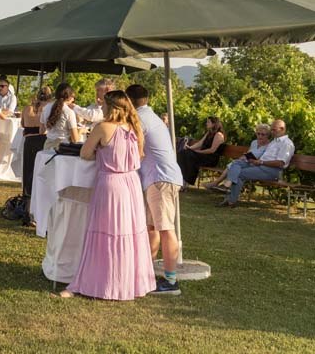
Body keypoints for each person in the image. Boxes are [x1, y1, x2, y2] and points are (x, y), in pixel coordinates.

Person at [60, 90, 156, 300]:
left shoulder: (103, 127)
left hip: (111, 183)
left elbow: (85, 153)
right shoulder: (134, 128)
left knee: (105, 233)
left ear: (110, 106)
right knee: (129, 233)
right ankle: (127, 283)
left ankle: (101, 283)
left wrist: (100, 152)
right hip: (131, 183)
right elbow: (139, 155)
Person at [126, 84, 185, 295]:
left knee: (165, 229)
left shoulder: (140, 120)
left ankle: (171, 282)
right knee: (152, 228)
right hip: (158, 178)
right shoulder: (150, 116)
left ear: (128, 101)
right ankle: (147, 273)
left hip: (161, 179)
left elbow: (133, 151)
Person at [220, 119, 295, 208]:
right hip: (260, 165)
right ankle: (228, 191)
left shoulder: (287, 144)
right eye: (271, 129)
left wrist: (261, 162)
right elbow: (264, 156)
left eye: (274, 130)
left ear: (282, 129)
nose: (272, 132)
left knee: (239, 174)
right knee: (236, 164)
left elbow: (280, 163)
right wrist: (252, 159)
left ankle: (230, 200)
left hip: (272, 171)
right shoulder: (274, 141)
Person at [204, 123, 272, 191]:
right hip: (247, 163)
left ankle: (220, 184)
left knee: (234, 165)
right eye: (258, 134)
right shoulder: (254, 142)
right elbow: (249, 153)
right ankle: (223, 185)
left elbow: (263, 160)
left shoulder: (269, 146)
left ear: (268, 135)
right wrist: (244, 156)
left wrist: (252, 159)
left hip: (255, 167)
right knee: (235, 164)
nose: (260, 136)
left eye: (263, 134)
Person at [177, 116, 226, 189]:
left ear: (214, 124)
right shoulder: (209, 133)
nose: (206, 123)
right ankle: (183, 179)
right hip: (203, 155)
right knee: (183, 153)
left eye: (208, 122)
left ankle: (187, 182)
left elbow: (212, 150)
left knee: (191, 156)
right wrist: (190, 148)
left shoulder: (219, 135)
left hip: (210, 158)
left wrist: (199, 152)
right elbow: (200, 143)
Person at [22, 87, 51, 198]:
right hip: (42, 139)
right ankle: (38, 196)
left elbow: (23, 124)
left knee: (28, 169)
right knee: (40, 170)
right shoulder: (47, 109)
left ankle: (27, 195)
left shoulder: (26, 108)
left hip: (29, 140)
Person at [40, 83, 80, 150]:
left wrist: (52, 131)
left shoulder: (46, 108)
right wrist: (81, 131)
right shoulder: (69, 112)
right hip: (62, 148)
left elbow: (41, 131)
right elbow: (75, 140)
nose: (73, 100)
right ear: (69, 97)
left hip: (48, 147)